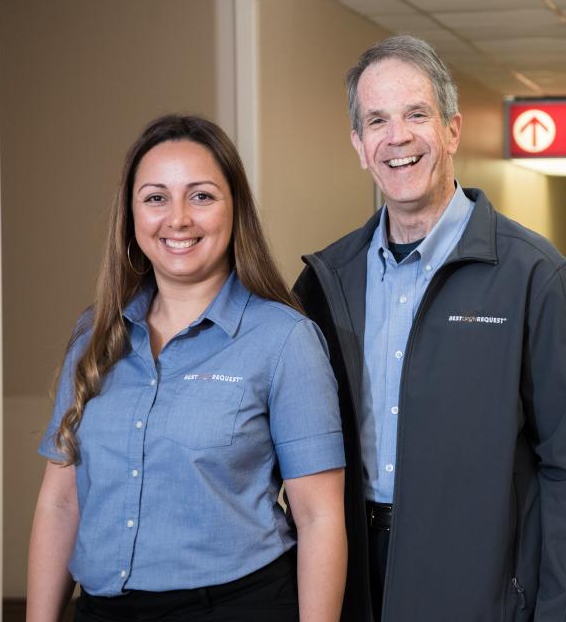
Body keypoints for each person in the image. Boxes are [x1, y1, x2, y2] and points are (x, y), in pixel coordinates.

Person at [293, 35, 566, 622]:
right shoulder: (325, 282)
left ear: (452, 131)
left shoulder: (533, 277)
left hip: (478, 588)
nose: (399, 137)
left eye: (417, 114)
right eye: (378, 121)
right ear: (360, 146)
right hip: (351, 579)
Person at [28, 115, 347, 622]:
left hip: (237, 606)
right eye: (156, 197)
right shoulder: (95, 334)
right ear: (131, 216)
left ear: (234, 210)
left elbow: (319, 515)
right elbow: (61, 504)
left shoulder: (284, 339)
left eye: (201, 196)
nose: (178, 219)